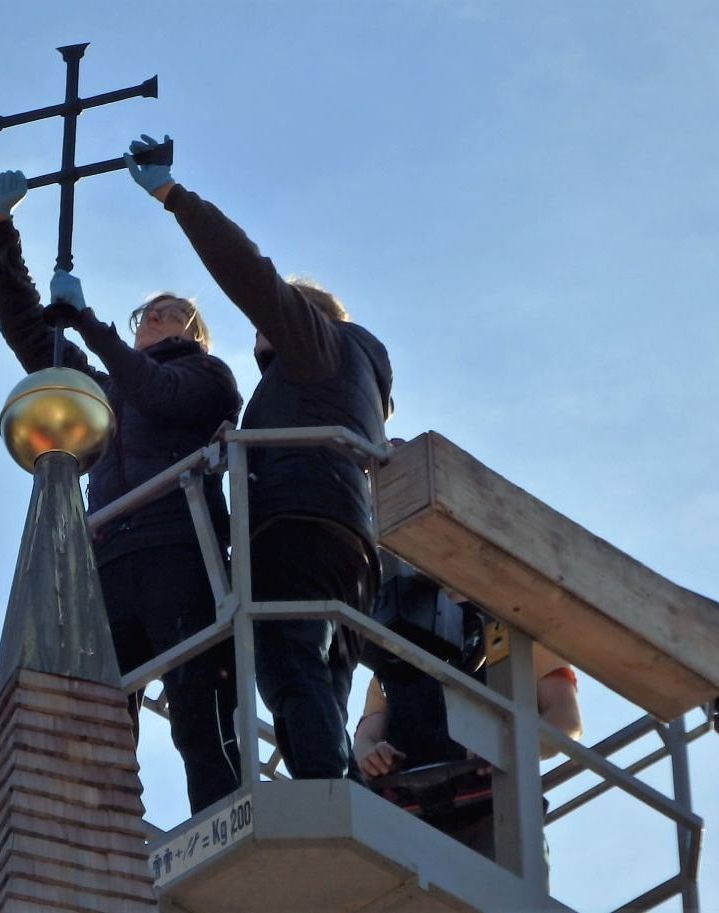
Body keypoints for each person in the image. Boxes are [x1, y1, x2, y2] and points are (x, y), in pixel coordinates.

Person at [124, 136, 394, 780]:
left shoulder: (317, 346)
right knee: (321, 681)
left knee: (290, 664)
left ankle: (327, 797)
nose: (257, 332)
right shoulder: (347, 383)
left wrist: (175, 198)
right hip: (348, 537)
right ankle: (337, 789)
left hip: (294, 523)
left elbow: (250, 272)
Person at [0, 170, 243, 814]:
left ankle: (223, 818)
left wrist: (90, 324)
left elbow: (161, 394)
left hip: (181, 547)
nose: (154, 316)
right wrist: (0, 234)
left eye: (172, 312)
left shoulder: (207, 376)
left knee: (196, 706)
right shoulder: (105, 388)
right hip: (108, 553)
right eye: (147, 313)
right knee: (101, 709)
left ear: (194, 332)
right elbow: (30, 338)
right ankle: (107, 830)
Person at [353, 584, 583, 858]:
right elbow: (364, 742)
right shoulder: (393, 655)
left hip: (494, 816)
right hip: (406, 818)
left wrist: (504, 745)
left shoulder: (521, 632)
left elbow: (565, 722)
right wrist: (371, 755)